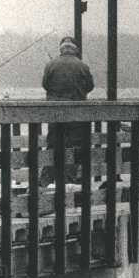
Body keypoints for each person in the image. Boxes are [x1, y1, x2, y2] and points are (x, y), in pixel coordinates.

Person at [41, 36, 94, 184]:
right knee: (74, 145)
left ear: (61, 49)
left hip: (55, 112)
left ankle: (45, 180)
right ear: (75, 50)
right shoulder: (83, 66)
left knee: (53, 144)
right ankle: (70, 179)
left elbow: (45, 85)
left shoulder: (50, 65)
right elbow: (90, 86)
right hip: (76, 113)